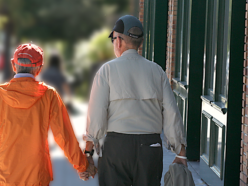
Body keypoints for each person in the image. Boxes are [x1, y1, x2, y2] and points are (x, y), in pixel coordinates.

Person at [80, 15, 187, 185]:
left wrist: (88, 154)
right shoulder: (157, 71)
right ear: (140, 43)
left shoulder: (107, 70)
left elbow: (96, 115)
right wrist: (180, 152)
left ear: (119, 41)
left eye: (113, 39)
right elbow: (172, 113)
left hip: (117, 147)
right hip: (150, 147)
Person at [0, 43, 97, 186]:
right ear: (39, 69)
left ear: (13, 65)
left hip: (2, 174)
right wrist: (82, 165)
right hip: (36, 174)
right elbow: (64, 137)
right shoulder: (49, 95)